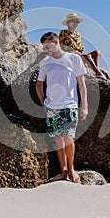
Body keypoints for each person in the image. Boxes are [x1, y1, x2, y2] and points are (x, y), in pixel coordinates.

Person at [36, 32, 88, 183]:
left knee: (68, 137)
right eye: (44, 47)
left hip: (69, 105)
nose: (46, 49)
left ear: (56, 42)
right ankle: (63, 171)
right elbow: (39, 84)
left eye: (48, 46)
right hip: (52, 106)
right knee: (58, 139)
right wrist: (43, 102)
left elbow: (81, 83)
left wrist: (84, 106)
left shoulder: (74, 58)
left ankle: (71, 169)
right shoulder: (45, 62)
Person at [59, 12, 107, 79]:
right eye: (73, 21)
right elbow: (61, 46)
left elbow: (81, 47)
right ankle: (98, 73)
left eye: (77, 22)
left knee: (97, 52)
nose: (75, 23)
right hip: (70, 55)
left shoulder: (78, 34)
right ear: (68, 23)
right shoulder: (64, 32)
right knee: (86, 56)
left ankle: (97, 70)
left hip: (79, 54)